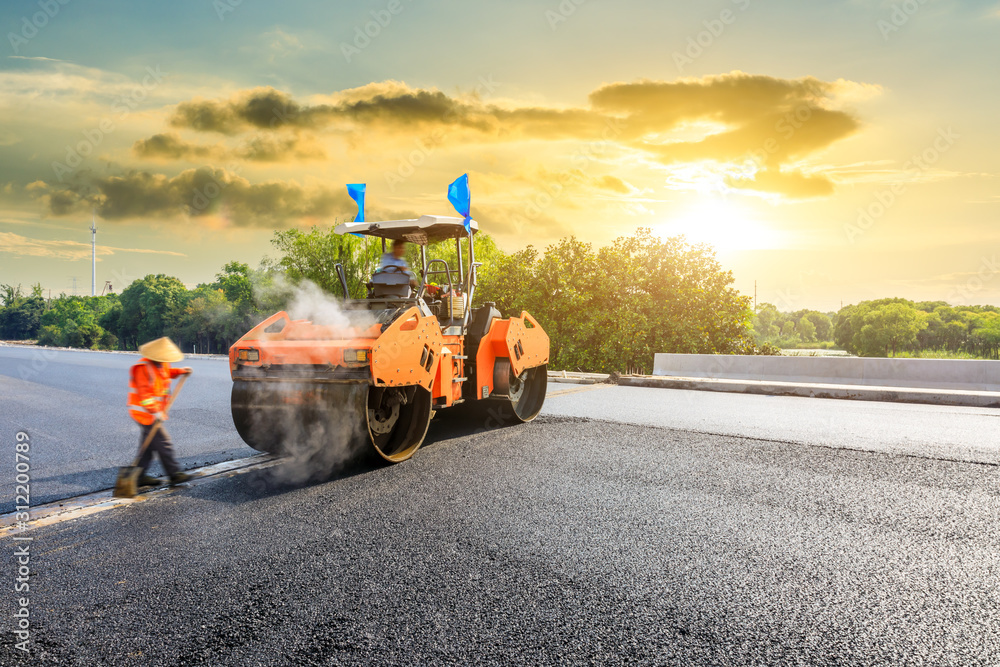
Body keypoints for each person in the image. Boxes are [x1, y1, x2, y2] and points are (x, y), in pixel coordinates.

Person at [127, 337, 193, 487]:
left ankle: (139, 476)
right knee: (164, 443)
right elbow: (145, 397)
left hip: (153, 412)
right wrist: (155, 412)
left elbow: (167, 372)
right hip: (144, 413)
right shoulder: (142, 368)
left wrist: (182, 371)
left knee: (148, 445)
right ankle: (174, 474)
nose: (164, 360)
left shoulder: (161, 364)